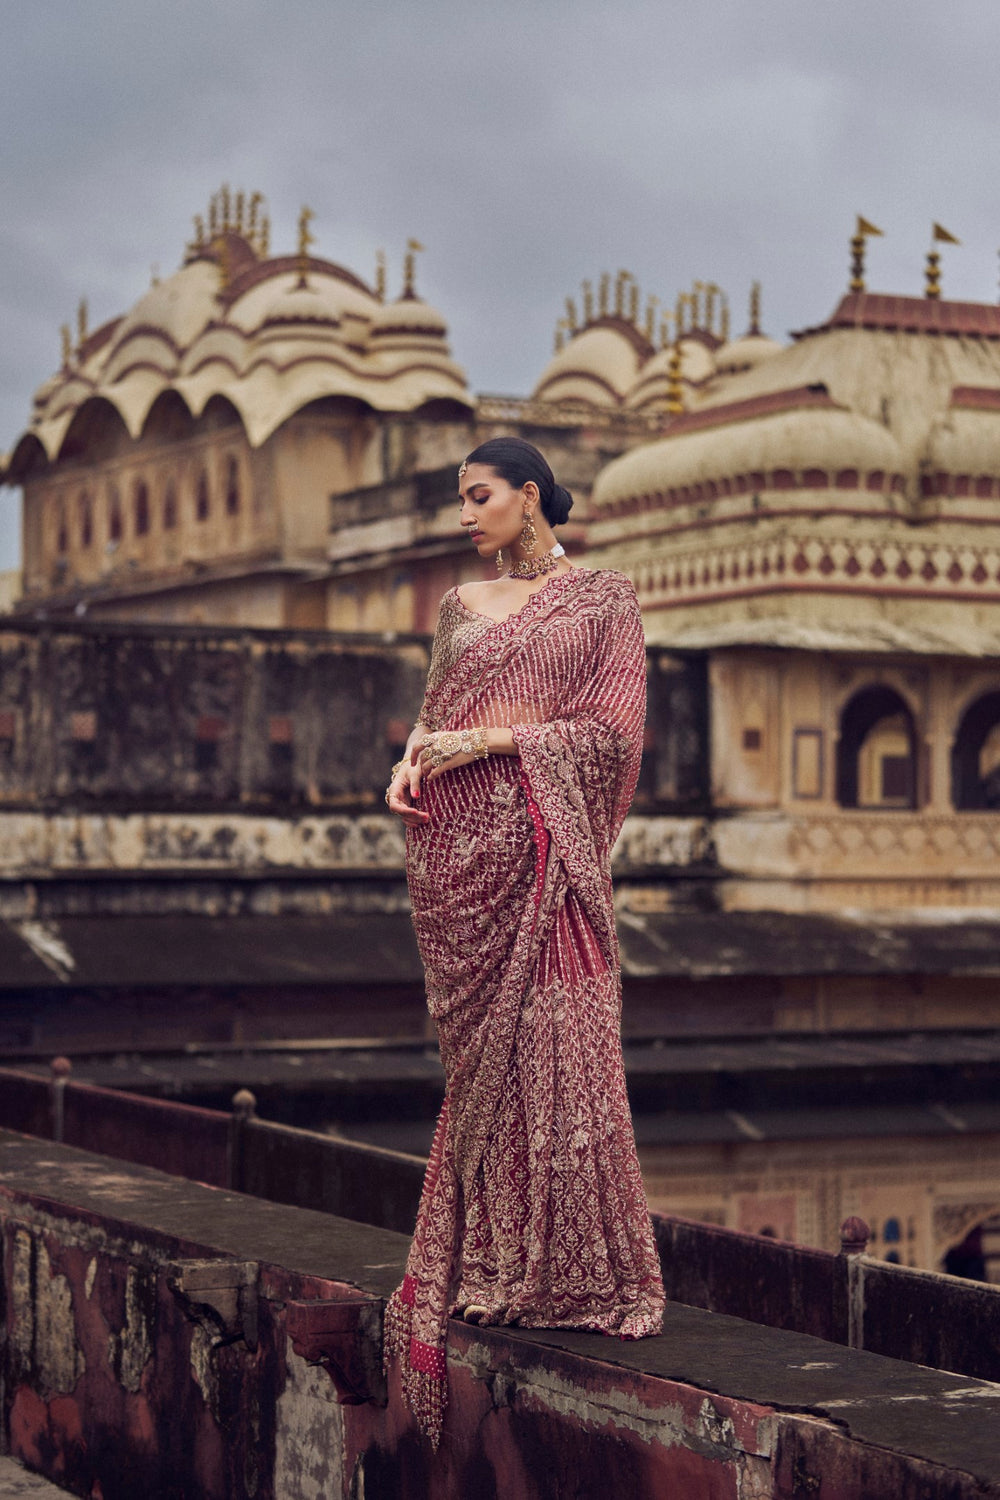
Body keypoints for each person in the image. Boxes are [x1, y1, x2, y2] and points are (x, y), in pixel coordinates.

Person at [383, 437, 664, 1445]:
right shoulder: (458, 607)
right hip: (451, 854)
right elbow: (430, 723)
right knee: (479, 1070)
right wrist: (409, 766)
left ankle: (572, 1272)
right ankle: (499, 1268)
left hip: (541, 851)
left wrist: (499, 742)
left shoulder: (602, 601)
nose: (465, 515)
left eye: (479, 496)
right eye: (461, 499)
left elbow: (614, 735)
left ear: (530, 496)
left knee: (556, 1046)